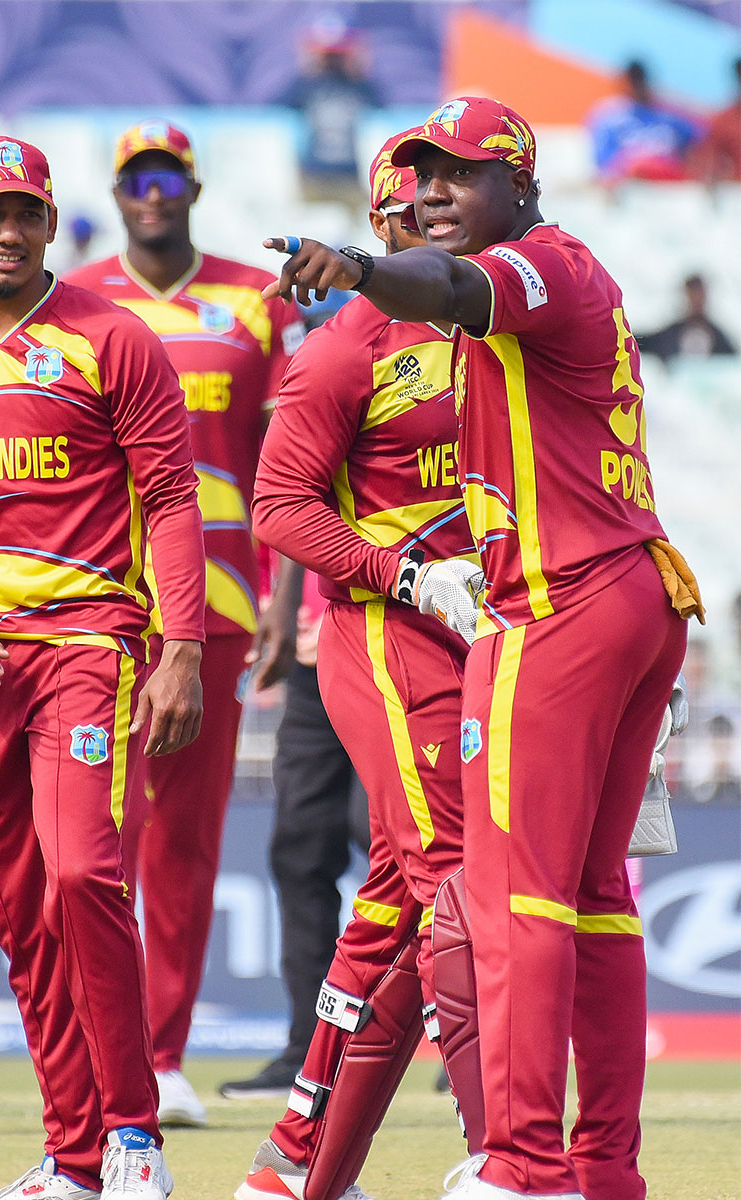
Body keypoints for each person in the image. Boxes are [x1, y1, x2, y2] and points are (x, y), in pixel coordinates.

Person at [268, 95, 702, 1200]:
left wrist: (363, 268)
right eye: (418, 182)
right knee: (585, 899)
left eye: (458, 176)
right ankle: (596, 1167)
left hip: (549, 607)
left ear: (519, 182)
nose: (432, 197)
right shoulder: (379, 341)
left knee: (501, 896)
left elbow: (456, 288)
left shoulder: (531, 270)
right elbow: (281, 501)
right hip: (598, 599)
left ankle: (517, 1163)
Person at [0, 134, 206, 1200]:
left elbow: (169, 499)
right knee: (21, 911)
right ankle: (72, 1153)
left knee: (81, 875)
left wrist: (184, 648)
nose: (7, 231)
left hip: (87, 649)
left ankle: (133, 1134)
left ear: (54, 223)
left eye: (25, 213)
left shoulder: (113, 339)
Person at [238, 130, 484, 1200]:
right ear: (378, 229)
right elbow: (279, 508)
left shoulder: (499, 326)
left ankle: (298, 1158)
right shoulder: (344, 346)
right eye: (404, 217)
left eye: (438, 210)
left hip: (496, 635)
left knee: (391, 898)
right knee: (459, 887)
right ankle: (508, 1156)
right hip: (390, 637)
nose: (426, 229)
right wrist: (405, 575)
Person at [66, 120, 306, 1127]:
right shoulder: (74, 300)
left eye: (167, 176)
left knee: (184, 841)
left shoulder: (254, 300)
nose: (151, 193)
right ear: (117, 195)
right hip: (94, 603)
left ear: (192, 189)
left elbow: (298, 461)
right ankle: (89, 1053)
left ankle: (160, 1059)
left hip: (213, 610)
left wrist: (285, 605)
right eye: (135, 179)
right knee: (91, 839)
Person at [220, 568, 367, 1105]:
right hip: (312, 657)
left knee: (398, 840)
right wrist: (279, 602)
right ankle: (308, 1050)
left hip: (394, 640)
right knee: (300, 852)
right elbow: (290, 517)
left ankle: (466, 1040)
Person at [279, 18, 380, 204]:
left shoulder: (358, 86)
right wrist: (308, 65)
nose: (333, 61)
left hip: (349, 174)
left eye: (337, 55)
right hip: (314, 174)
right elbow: (282, 108)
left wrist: (359, 65)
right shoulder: (307, 86)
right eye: (328, 55)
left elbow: (381, 107)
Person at [588, 61, 698, 184]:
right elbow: (603, 164)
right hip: (627, 184)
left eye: (639, 80)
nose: (636, 86)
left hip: (669, 184)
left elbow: (698, 144)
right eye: (632, 81)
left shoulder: (669, 115)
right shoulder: (608, 117)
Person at [636, 273, 736, 362]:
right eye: (693, 295)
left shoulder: (719, 339)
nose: (696, 301)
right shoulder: (669, 335)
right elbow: (638, 342)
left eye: (700, 295)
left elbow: (730, 363)